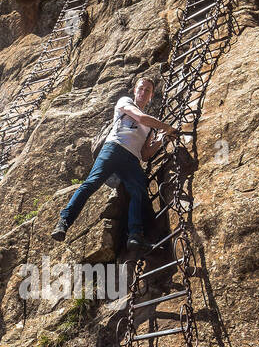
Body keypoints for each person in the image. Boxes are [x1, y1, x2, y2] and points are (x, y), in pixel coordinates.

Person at [50, 77, 180, 255]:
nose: (143, 92)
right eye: (141, 88)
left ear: (151, 96)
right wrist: (167, 127)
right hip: (114, 148)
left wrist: (163, 138)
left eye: (148, 90)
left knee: (139, 191)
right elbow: (141, 117)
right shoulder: (125, 102)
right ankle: (64, 221)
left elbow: (145, 154)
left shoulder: (151, 127)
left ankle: (135, 236)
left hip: (132, 159)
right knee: (92, 183)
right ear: (135, 91)